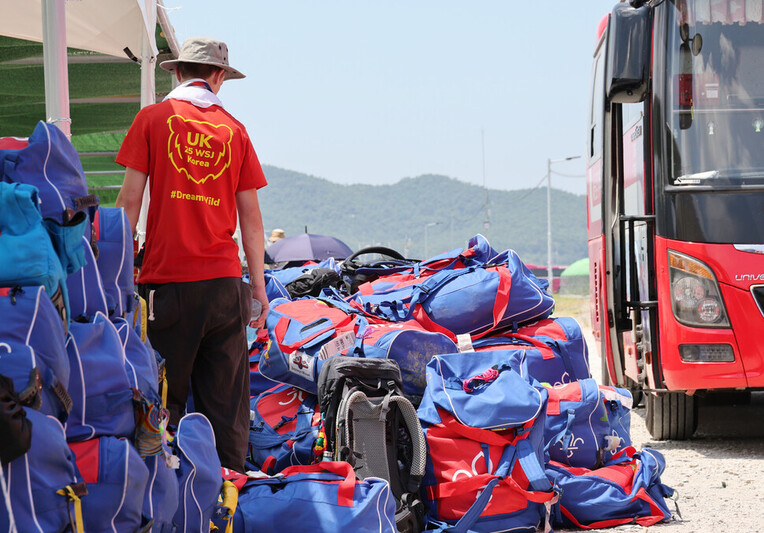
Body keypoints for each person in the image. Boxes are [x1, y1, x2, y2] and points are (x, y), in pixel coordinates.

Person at [115, 36, 269, 472]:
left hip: (168, 287)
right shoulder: (235, 131)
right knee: (226, 413)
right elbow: (252, 221)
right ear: (219, 78)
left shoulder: (153, 119)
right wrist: (257, 288)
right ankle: (230, 503)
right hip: (224, 288)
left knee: (163, 405)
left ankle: (168, 503)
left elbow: (128, 203)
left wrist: (116, 272)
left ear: (177, 71)